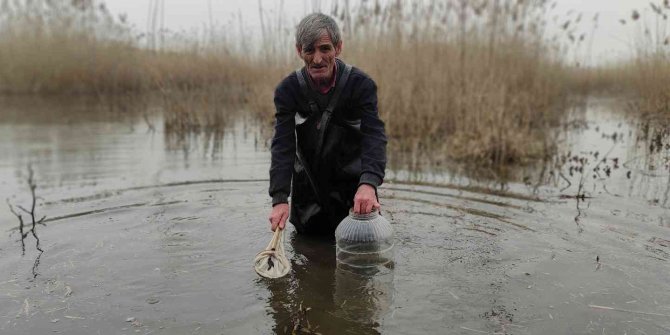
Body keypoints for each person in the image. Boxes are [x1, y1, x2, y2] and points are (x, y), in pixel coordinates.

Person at [268, 13, 387, 234]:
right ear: (298, 51)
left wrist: (369, 183)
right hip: (308, 197)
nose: (317, 59)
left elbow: (374, 136)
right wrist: (280, 198)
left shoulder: (361, 85)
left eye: (324, 48)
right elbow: (283, 146)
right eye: (309, 50)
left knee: (363, 264)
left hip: (356, 196)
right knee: (305, 262)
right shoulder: (288, 90)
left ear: (338, 48)